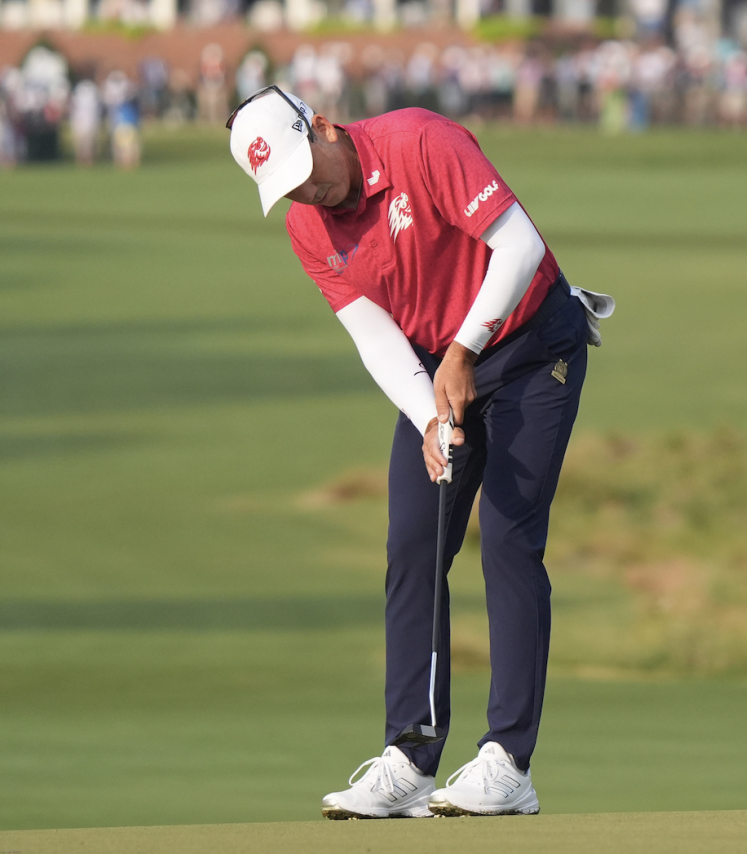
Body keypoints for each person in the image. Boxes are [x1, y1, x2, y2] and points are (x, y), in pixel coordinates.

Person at [224, 87, 612, 818]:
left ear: (323, 126)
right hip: (439, 370)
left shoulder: (420, 141)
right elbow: (373, 335)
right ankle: (410, 756)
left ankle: (509, 763)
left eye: (308, 170)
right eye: (290, 188)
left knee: (508, 537)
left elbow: (521, 247)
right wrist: (429, 418)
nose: (309, 192)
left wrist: (463, 352)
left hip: (533, 347)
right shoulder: (308, 228)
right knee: (412, 543)